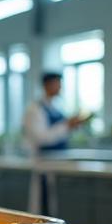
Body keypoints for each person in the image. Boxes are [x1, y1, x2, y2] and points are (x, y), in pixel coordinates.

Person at [23, 72, 90, 214]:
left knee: (56, 207)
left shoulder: (55, 107)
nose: (60, 87)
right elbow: (41, 138)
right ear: (47, 85)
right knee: (44, 206)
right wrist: (66, 125)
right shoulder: (34, 109)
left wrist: (71, 126)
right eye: (57, 84)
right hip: (44, 163)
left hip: (58, 163)